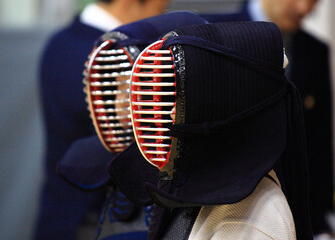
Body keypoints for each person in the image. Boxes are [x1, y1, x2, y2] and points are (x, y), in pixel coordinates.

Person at [109, 21, 313, 239]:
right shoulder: (199, 183)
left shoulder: (253, 219)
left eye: (183, 100)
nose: (170, 115)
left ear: (224, 103)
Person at [57, 11, 209, 239]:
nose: (119, 102)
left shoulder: (207, 180)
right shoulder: (104, 160)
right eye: (116, 88)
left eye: (129, 88)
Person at [34, 0, 169, 239]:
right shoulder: (112, 59)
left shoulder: (60, 42)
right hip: (96, 221)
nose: (164, 11)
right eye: (159, 7)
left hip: (60, 212)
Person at [201, 0, 333, 235]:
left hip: (294, 214)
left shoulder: (315, 50)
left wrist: (319, 221)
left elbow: (318, 145)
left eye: (314, 1)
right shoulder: (214, 32)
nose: (304, 8)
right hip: (224, 209)